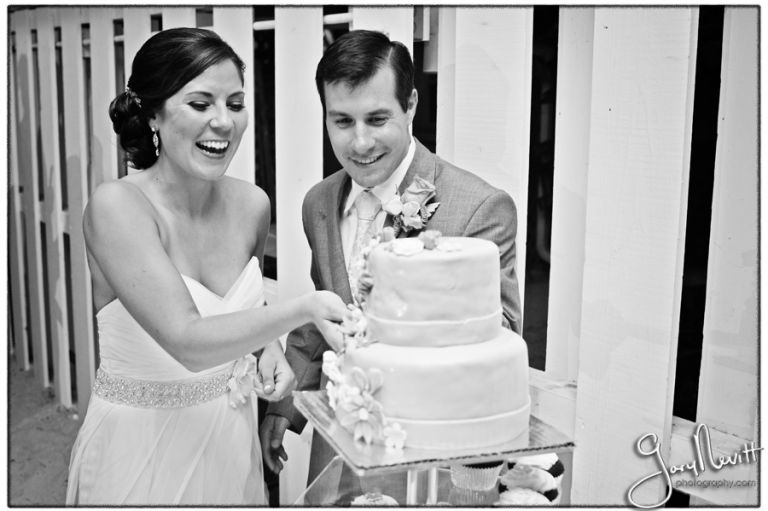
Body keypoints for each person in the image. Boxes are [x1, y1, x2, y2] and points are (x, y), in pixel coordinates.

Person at [65, 28, 346, 505]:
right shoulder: (117, 206)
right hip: (141, 453)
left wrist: (268, 349)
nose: (224, 122)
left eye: (235, 104)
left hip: (230, 445)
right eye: (200, 104)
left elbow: (240, 312)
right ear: (152, 112)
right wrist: (304, 309)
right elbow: (187, 339)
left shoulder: (252, 205)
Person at [261, 29, 522, 485]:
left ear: (412, 105)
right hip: (340, 440)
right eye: (342, 122)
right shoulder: (318, 204)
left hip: (430, 458)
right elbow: (326, 310)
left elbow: (498, 336)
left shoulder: (481, 207)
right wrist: (285, 409)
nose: (359, 143)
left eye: (377, 119)